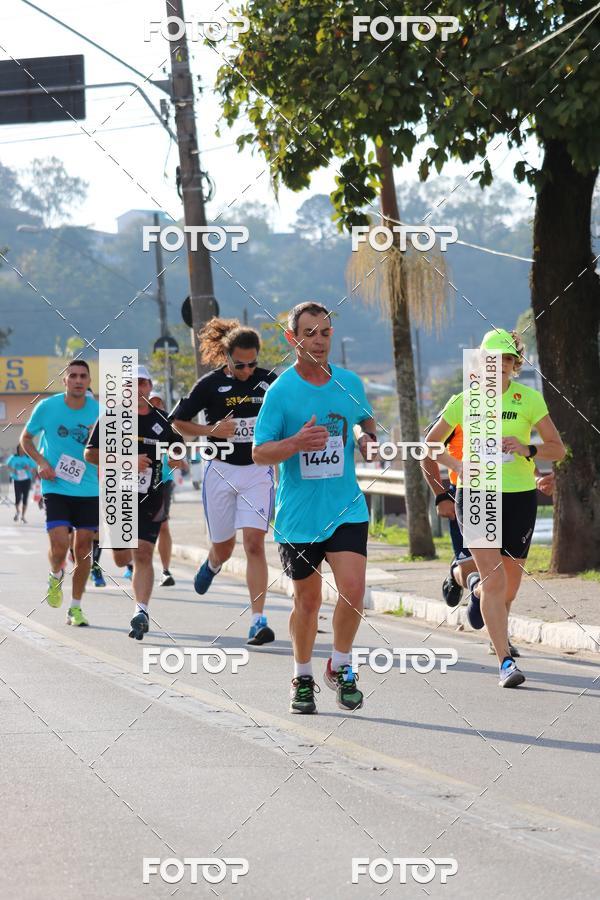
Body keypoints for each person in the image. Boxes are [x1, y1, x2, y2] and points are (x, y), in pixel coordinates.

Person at [253, 301, 378, 713]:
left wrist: (365, 439)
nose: (320, 340)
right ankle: (302, 675)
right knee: (307, 603)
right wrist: (295, 444)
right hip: (298, 516)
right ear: (292, 339)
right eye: (310, 333)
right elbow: (260, 453)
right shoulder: (280, 393)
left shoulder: (349, 382)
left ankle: (340, 665)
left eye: (325, 332)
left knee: (354, 590)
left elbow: (363, 419)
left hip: (345, 506)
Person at [425, 329, 565, 688]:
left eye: (506, 360)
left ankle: (476, 595)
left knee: (508, 588)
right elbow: (430, 445)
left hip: (519, 496)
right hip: (476, 495)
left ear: (514, 364)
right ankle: (504, 661)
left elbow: (556, 449)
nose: (499, 366)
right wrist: (457, 469)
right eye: (492, 360)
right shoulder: (464, 401)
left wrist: (527, 449)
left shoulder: (529, 399)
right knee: (494, 578)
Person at [171, 318, 277, 646]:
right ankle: (213, 563)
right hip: (220, 470)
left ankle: (257, 621)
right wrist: (211, 431)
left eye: (253, 362)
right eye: (240, 364)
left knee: (254, 544)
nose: (247, 370)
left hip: (257, 471)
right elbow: (178, 423)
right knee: (225, 547)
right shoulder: (209, 385)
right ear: (227, 358)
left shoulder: (268, 382)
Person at [85, 366, 182, 640]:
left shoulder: (164, 420)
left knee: (142, 553)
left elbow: (177, 451)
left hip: (153, 496)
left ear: (150, 387)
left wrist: (177, 459)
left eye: (143, 383)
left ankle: (141, 611)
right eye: (132, 383)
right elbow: (91, 454)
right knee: (120, 557)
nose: (138, 388)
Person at [20, 360, 100, 626]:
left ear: (89, 381)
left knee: (84, 549)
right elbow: (25, 439)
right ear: (64, 381)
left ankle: (76, 608)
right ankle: (55, 575)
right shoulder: (47, 407)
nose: (78, 380)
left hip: (88, 488)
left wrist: (97, 442)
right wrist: (42, 463)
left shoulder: (99, 413)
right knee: (59, 547)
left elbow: (113, 452)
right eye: (73, 376)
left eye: (83, 376)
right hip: (55, 485)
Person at [149, 394, 185, 587]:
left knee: (162, 525)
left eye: (158, 403)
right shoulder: (130, 422)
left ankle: (165, 570)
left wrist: (176, 459)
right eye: (150, 402)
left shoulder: (167, 425)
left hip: (162, 481)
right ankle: (132, 564)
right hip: (134, 481)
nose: (154, 406)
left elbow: (179, 451)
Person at [6, 445, 36, 523]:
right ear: (17, 449)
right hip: (17, 480)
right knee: (17, 498)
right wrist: (13, 470)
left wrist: (28, 468)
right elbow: (8, 466)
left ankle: (23, 516)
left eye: (23, 449)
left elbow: (34, 469)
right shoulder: (13, 457)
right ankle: (17, 511)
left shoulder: (28, 458)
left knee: (25, 498)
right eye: (20, 449)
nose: (21, 450)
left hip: (26, 480)